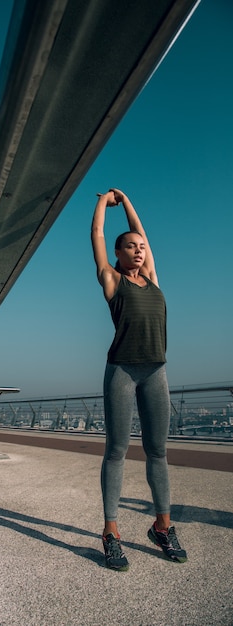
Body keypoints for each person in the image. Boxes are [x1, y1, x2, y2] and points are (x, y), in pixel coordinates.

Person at [91, 188, 187, 571]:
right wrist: (103, 200)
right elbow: (98, 233)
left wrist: (127, 200)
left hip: (156, 372)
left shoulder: (152, 278)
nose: (139, 249)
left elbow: (140, 227)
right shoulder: (113, 281)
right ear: (118, 254)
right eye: (130, 246)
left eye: (142, 246)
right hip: (122, 371)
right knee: (117, 450)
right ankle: (111, 533)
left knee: (158, 451)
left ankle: (162, 526)